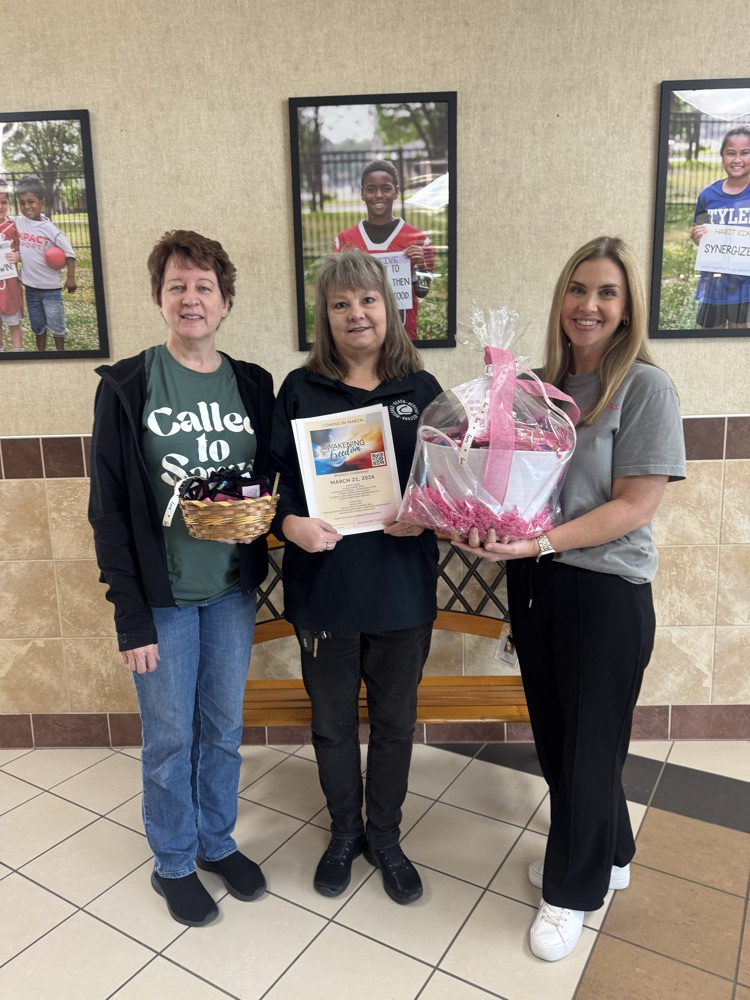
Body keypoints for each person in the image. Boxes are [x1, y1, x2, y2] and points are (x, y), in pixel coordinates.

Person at [455, 236, 686, 961]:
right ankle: (610, 854)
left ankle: (571, 892)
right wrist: (471, 513)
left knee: (587, 750)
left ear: (626, 309)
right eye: (578, 289)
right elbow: (505, 485)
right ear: (561, 300)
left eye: (607, 293)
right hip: (536, 585)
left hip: (602, 590)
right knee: (561, 740)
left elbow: (634, 507)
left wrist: (536, 543)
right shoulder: (533, 389)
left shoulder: (645, 389)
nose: (589, 304)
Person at [88, 230, 274, 927]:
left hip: (229, 588)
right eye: (177, 286)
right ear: (160, 299)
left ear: (224, 301)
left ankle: (216, 842)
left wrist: (269, 519)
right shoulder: (130, 385)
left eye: (204, 286)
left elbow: (274, 473)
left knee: (222, 729)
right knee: (170, 735)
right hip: (162, 595)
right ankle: (172, 860)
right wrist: (129, 617)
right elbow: (106, 508)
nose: (191, 297)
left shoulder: (252, 382)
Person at [271, 249, 441, 904]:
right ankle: (344, 833)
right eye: (341, 303)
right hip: (326, 593)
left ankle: (387, 838)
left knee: (396, 725)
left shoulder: (422, 393)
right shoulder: (300, 389)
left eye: (367, 300)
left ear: (389, 308)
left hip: (401, 592)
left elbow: (448, 492)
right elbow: (273, 489)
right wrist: (293, 528)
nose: (356, 313)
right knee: (334, 726)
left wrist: (422, 515)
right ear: (326, 316)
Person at [333, 159, 434, 340]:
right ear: (362, 193)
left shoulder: (419, 240)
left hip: (402, 338)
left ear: (396, 192)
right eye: (371, 189)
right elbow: (336, 296)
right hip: (359, 337)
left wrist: (421, 265)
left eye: (386, 188)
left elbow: (423, 292)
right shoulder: (344, 242)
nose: (378, 195)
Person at [690, 126, 750, 329]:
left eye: (745, 153)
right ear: (722, 156)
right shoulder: (708, 195)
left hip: (746, 286)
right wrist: (698, 237)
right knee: (709, 334)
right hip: (714, 284)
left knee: (739, 333)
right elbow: (701, 235)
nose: (737, 159)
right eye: (731, 153)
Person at [13, 175, 77, 351]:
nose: (27, 207)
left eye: (31, 202)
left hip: (51, 290)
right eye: (22, 202)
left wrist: (71, 278)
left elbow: (70, 253)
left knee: (56, 325)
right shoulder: (18, 222)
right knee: (37, 326)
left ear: (42, 203)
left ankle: (60, 353)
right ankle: (42, 353)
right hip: (31, 288)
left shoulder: (50, 229)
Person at [0, 187, 24, 351]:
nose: (0, 206)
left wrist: (19, 257)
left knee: (13, 320)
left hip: (9, 282)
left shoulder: (13, 227)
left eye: (3, 202)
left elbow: (27, 251)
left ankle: (18, 351)